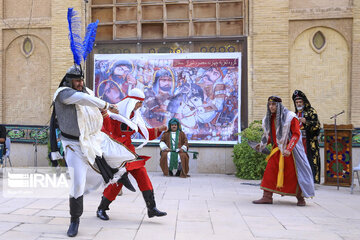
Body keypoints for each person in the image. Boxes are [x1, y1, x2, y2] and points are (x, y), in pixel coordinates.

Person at [52, 65, 134, 237]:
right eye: (77, 80)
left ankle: (119, 174)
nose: (80, 83)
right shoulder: (63, 94)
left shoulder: (85, 90)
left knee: (117, 154)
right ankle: (75, 220)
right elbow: (83, 99)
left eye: (81, 79)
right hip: (73, 146)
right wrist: (106, 104)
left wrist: (112, 113)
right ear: (69, 80)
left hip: (93, 138)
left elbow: (90, 100)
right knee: (78, 182)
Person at [96, 88, 168, 221]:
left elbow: (147, 133)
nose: (140, 106)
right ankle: (102, 208)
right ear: (132, 101)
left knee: (142, 175)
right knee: (117, 182)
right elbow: (107, 130)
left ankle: (151, 208)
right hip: (116, 152)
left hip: (129, 152)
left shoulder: (135, 116)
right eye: (139, 102)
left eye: (141, 103)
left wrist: (160, 129)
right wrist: (105, 113)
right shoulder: (114, 111)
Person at [253, 96, 315, 206]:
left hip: (291, 152)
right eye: (270, 104)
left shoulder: (290, 117)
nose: (271, 107)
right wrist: (262, 145)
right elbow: (270, 135)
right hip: (276, 150)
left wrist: (289, 148)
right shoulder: (269, 118)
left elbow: (296, 134)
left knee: (294, 175)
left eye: (273, 104)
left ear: (279, 105)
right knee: (270, 171)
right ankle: (267, 196)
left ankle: (300, 198)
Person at [292, 90, 321, 184]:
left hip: (309, 141)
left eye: (300, 102)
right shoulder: (295, 113)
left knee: (310, 160)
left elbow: (317, 125)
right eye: (296, 102)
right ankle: (300, 180)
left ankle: (311, 181)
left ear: (304, 102)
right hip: (298, 141)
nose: (298, 104)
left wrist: (306, 122)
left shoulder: (311, 111)